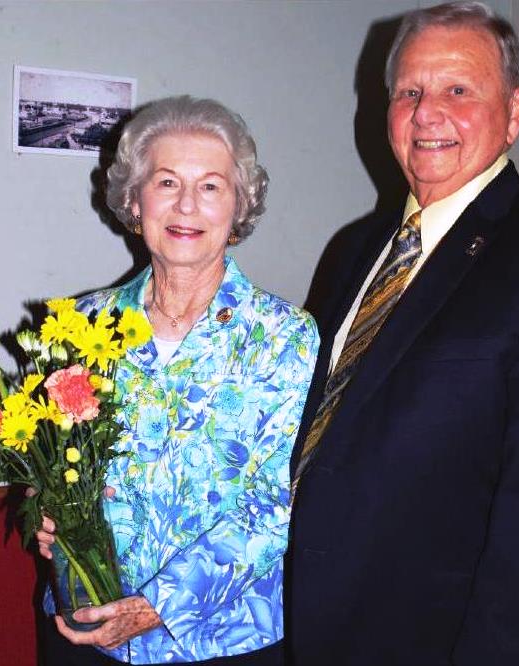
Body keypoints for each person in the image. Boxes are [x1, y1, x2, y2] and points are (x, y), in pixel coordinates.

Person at [287, 3, 519, 665]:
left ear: (513, 112)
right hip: (319, 625)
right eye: (410, 92)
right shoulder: (355, 250)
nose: (427, 112)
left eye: (458, 90)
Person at [36, 96, 319, 666]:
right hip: (85, 633)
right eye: (166, 182)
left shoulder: (285, 336)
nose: (187, 204)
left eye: (211, 186)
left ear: (238, 207)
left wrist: (158, 604)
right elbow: (57, 460)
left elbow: (279, 503)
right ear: (135, 202)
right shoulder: (81, 324)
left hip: (223, 640)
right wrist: (48, 513)